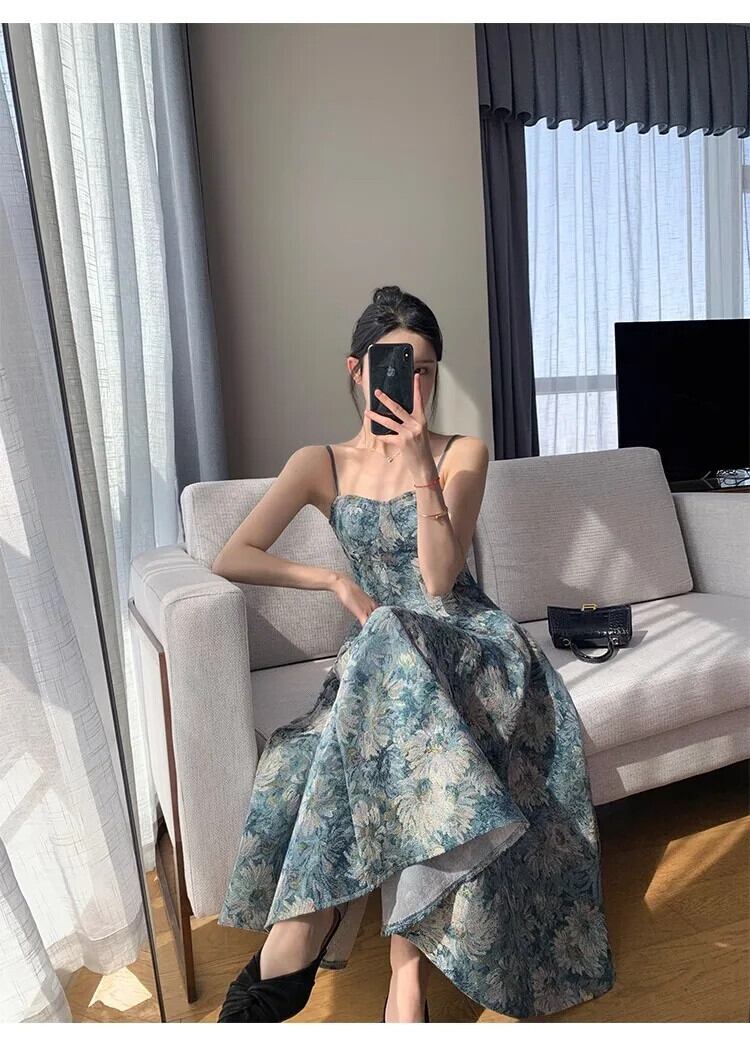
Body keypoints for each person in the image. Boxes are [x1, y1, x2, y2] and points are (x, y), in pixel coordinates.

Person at [213, 285, 616, 1023]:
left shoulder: (463, 453)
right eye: (397, 366)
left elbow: (437, 579)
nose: (413, 383)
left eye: (425, 368)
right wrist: (334, 580)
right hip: (384, 659)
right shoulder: (319, 463)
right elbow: (231, 556)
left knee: (393, 631)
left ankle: (311, 930)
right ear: (357, 370)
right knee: (373, 690)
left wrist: (421, 463)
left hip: (470, 644)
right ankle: (403, 977)